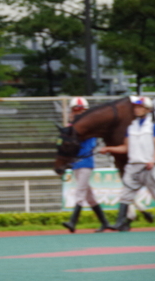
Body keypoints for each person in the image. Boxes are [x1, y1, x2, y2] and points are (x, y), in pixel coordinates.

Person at [100, 96, 155, 231]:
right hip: (133, 166)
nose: (136, 110)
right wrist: (109, 149)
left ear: (147, 110)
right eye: (136, 107)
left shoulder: (153, 127)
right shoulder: (131, 128)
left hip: (147, 165)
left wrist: (153, 160)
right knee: (126, 194)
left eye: (140, 107)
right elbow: (125, 148)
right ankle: (121, 223)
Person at [61, 97, 111, 233]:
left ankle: (73, 221)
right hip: (77, 163)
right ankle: (105, 222)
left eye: (80, 110)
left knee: (80, 192)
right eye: (75, 110)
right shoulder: (73, 126)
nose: (77, 113)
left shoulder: (89, 126)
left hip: (86, 162)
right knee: (89, 196)